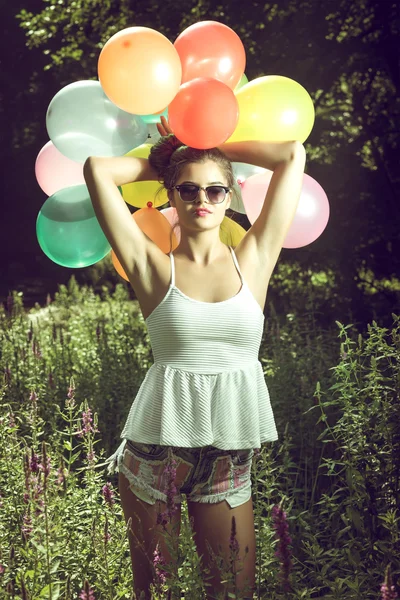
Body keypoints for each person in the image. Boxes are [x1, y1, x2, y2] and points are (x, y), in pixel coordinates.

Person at [84, 116, 306, 600]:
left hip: (227, 458)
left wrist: (210, 142)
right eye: (187, 190)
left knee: (232, 592)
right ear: (171, 194)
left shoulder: (254, 259)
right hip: (155, 456)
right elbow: (98, 170)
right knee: (156, 594)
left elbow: (292, 154)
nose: (202, 201)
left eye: (215, 190)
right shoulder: (151, 265)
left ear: (230, 196)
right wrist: (171, 154)